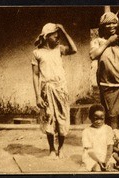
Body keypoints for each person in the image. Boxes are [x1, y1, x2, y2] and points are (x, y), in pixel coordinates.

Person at [32, 23, 77, 159]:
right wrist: (38, 96)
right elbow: (35, 75)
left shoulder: (59, 49)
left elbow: (74, 49)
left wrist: (63, 30)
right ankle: (52, 149)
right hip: (46, 91)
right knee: (49, 119)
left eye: (59, 36)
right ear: (46, 37)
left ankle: (61, 148)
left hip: (61, 90)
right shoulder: (37, 53)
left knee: (62, 119)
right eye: (55, 36)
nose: (58, 39)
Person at [89, 12, 119, 129]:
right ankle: (114, 143)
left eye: (114, 23)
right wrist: (109, 42)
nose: (111, 26)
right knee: (112, 116)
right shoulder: (98, 41)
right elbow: (93, 55)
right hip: (108, 85)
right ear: (102, 26)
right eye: (108, 23)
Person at [81, 104, 115, 171]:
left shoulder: (108, 129)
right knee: (97, 168)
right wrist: (98, 161)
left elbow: (110, 146)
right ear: (90, 117)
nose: (99, 121)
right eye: (96, 119)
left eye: (101, 118)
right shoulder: (86, 131)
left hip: (105, 155)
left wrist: (106, 160)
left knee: (110, 168)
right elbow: (89, 150)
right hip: (92, 156)